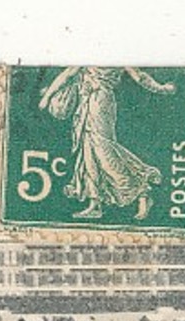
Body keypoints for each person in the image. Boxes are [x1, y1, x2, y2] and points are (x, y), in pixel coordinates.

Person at [38, 65, 177, 220]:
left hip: (101, 102)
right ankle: (94, 203)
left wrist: (162, 88)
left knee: (104, 152)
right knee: (88, 151)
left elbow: (139, 77)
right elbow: (67, 74)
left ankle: (142, 192)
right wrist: (46, 97)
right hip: (85, 103)